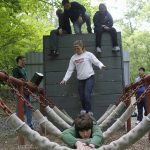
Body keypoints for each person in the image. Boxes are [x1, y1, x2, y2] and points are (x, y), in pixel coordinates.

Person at [60, 40, 105, 115]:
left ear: (82, 47)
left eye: (78, 48)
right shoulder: (73, 58)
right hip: (80, 80)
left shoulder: (88, 54)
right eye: (75, 48)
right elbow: (70, 69)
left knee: (87, 95)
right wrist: (65, 79)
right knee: (81, 96)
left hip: (90, 78)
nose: (76, 50)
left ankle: (89, 111)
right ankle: (84, 109)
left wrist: (101, 65)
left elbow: (96, 61)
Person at [12, 56, 33, 129]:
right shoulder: (16, 69)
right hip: (20, 92)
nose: (25, 62)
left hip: (25, 91)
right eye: (23, 60)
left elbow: (25, 80)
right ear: (19, 61)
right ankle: (19, 126)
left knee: (28, 108)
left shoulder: (24, 69)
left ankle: (29, 125)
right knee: (20, 109)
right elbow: (15, 80)